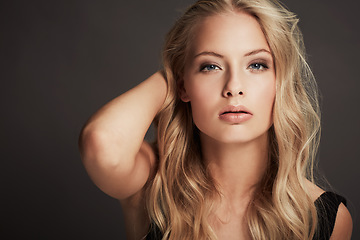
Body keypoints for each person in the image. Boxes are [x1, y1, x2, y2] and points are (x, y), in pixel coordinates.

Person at [78, 0, 353, 239]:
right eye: (210, 66)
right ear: (183, 85)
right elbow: (101, 143)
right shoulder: (151, 183)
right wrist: (172, 77)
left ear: (281, 81)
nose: (234, 87)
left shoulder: (325, 219)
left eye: (257, 65)